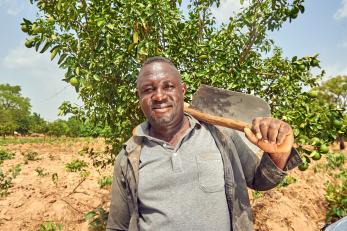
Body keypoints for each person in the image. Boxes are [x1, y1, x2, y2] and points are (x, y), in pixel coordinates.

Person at [106, 56, 302, 231]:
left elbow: (260, 181)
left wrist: (278, 154)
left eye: (168, 86)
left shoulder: (222, 135)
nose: (159, 96)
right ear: (139, 97)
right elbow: (118, 226)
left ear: (182, 90)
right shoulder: (128, 157)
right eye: (148, 90)